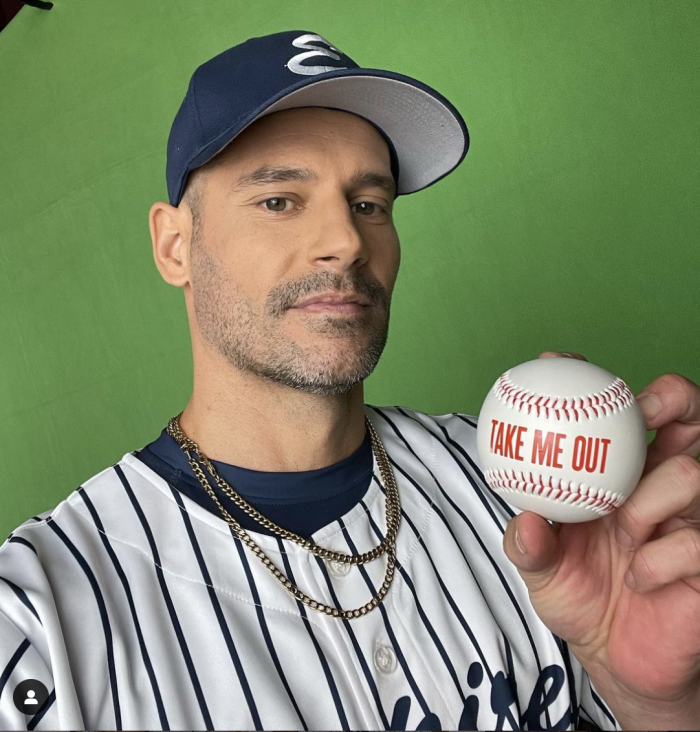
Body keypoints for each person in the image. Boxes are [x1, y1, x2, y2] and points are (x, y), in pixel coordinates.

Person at [1, 28, 699, 731]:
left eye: (370, 203)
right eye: (279, 200)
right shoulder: (42, 619)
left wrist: (658, 704)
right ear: (175, 245)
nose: (347, 240)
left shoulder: (525, 494)